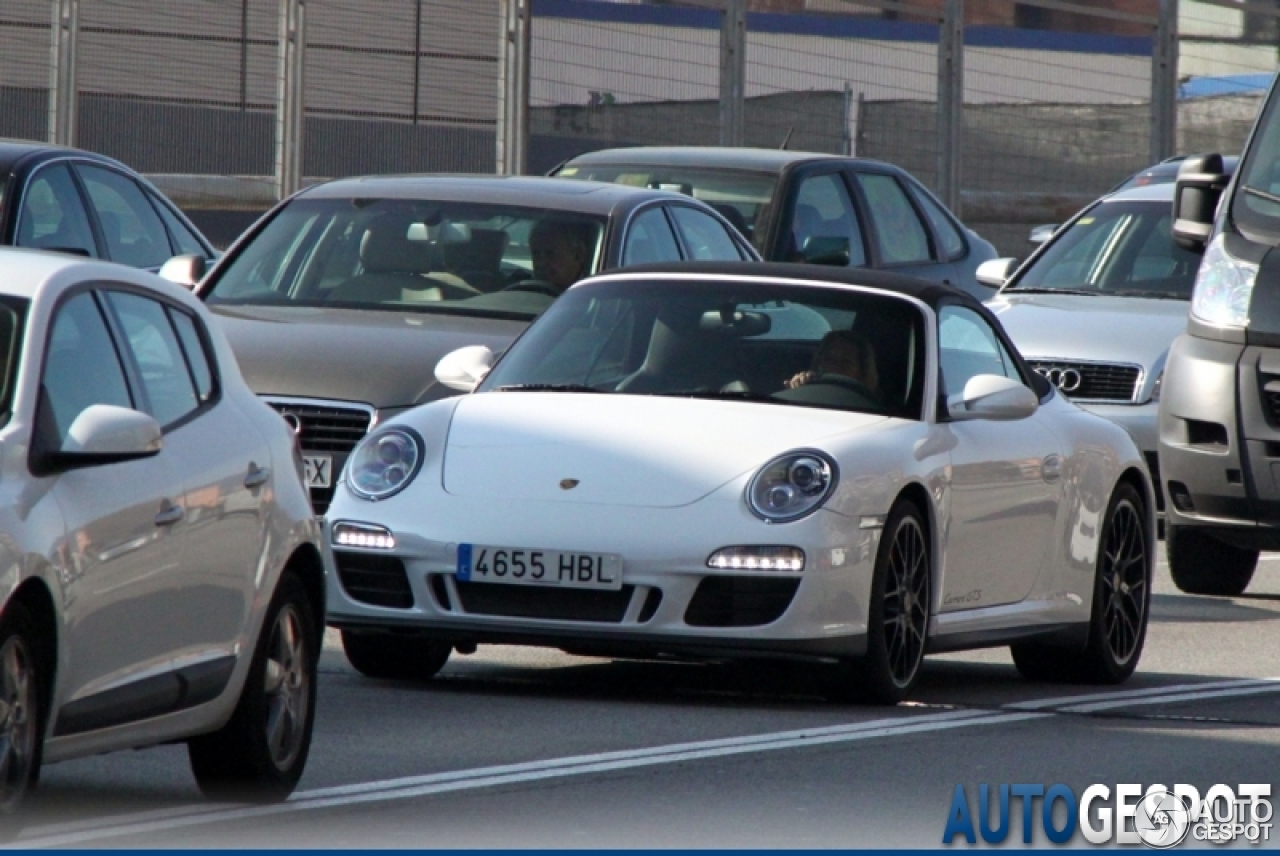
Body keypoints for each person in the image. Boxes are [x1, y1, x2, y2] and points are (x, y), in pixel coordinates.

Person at [786, 330, 879, 398]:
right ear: (819, 362)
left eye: (846, 361)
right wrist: (798, 390)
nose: (835, 366)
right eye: (829, 359)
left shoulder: (872, 405)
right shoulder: (808, 386)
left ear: (863, 369)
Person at [528, 218, 596, 292]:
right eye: (536, 254)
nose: (540, 263)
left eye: (550, 254)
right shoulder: (524, 290)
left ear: (578, 255)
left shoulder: (594, 294)